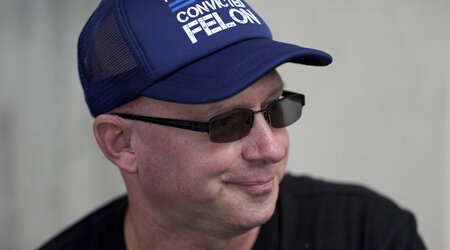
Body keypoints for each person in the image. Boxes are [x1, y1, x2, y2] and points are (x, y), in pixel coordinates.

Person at [39, 0, 426, 249]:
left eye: (277, 108)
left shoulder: (367, 234)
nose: (272, 149)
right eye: (226, 123)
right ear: (122, 143)